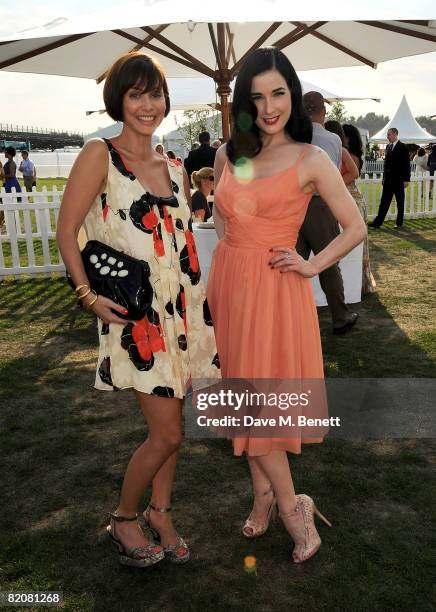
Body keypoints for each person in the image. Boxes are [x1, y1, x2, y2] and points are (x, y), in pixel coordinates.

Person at [56, 51, 220, 570]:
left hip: (185, 315)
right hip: (139, 321)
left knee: (174, 425)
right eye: (136, 94)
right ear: (118, 101)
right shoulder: (98, 154)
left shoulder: (174, 164)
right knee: (167, 432)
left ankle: (162, 512)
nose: (148, 105)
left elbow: (180, 241)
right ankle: (125, 518)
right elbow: (66, 231)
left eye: (155, 94)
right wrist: (87, 296)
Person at [207, 48, 365, 564]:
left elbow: (355, 227)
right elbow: (224, 223)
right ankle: (264, 495)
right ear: (245, 103)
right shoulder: (230, 154)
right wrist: (222, 281)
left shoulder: (311, 158)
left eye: (278, 93)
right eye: (257, 96)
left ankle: (296, 507)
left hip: (276, 293)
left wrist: (312, 265)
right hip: (231, 287)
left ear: (292, 95)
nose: (269, 106)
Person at [297, 92, 358, 334]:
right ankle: (340, 317)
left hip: (293, 206)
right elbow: (338, 173)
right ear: (323, 112)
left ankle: (291, 318)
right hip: (322, 206)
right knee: (329, 262)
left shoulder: (291, 137)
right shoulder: (333, 139)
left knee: (294, 265)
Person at [368, 128, 410, 229]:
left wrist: (406, 179)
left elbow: (406, 164)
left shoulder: (403, 147)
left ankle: (399, 223)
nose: (387, 137)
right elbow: (386, 165)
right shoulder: (388, 146)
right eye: (387, 135)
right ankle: (378, 222)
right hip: (388, 181)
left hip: (399, 180)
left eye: (389, 134)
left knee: (400, 203)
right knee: (384, 202)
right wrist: (384, 178)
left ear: (395, 134)